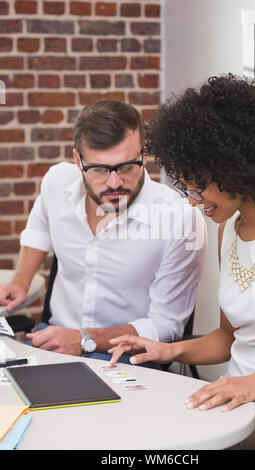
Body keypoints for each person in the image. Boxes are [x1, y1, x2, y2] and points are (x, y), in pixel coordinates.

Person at [109, 74, 255, 448]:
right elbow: (230, 338)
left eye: (199, 185)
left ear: (237, 166)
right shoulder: (227, 228)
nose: (193, 201)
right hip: (236, 411)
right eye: (185, 187)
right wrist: (168, 350)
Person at [0, 99, 206, 364]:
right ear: (78, 160)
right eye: (98, 169)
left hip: (127, 356)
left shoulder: (180, 218)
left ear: (143, 155)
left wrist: (85, 338)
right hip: (55, 339)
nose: (114, 183)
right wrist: (21, 281)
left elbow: (166, 325)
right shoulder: (56, 182)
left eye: (126, 167)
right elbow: (39, 229)